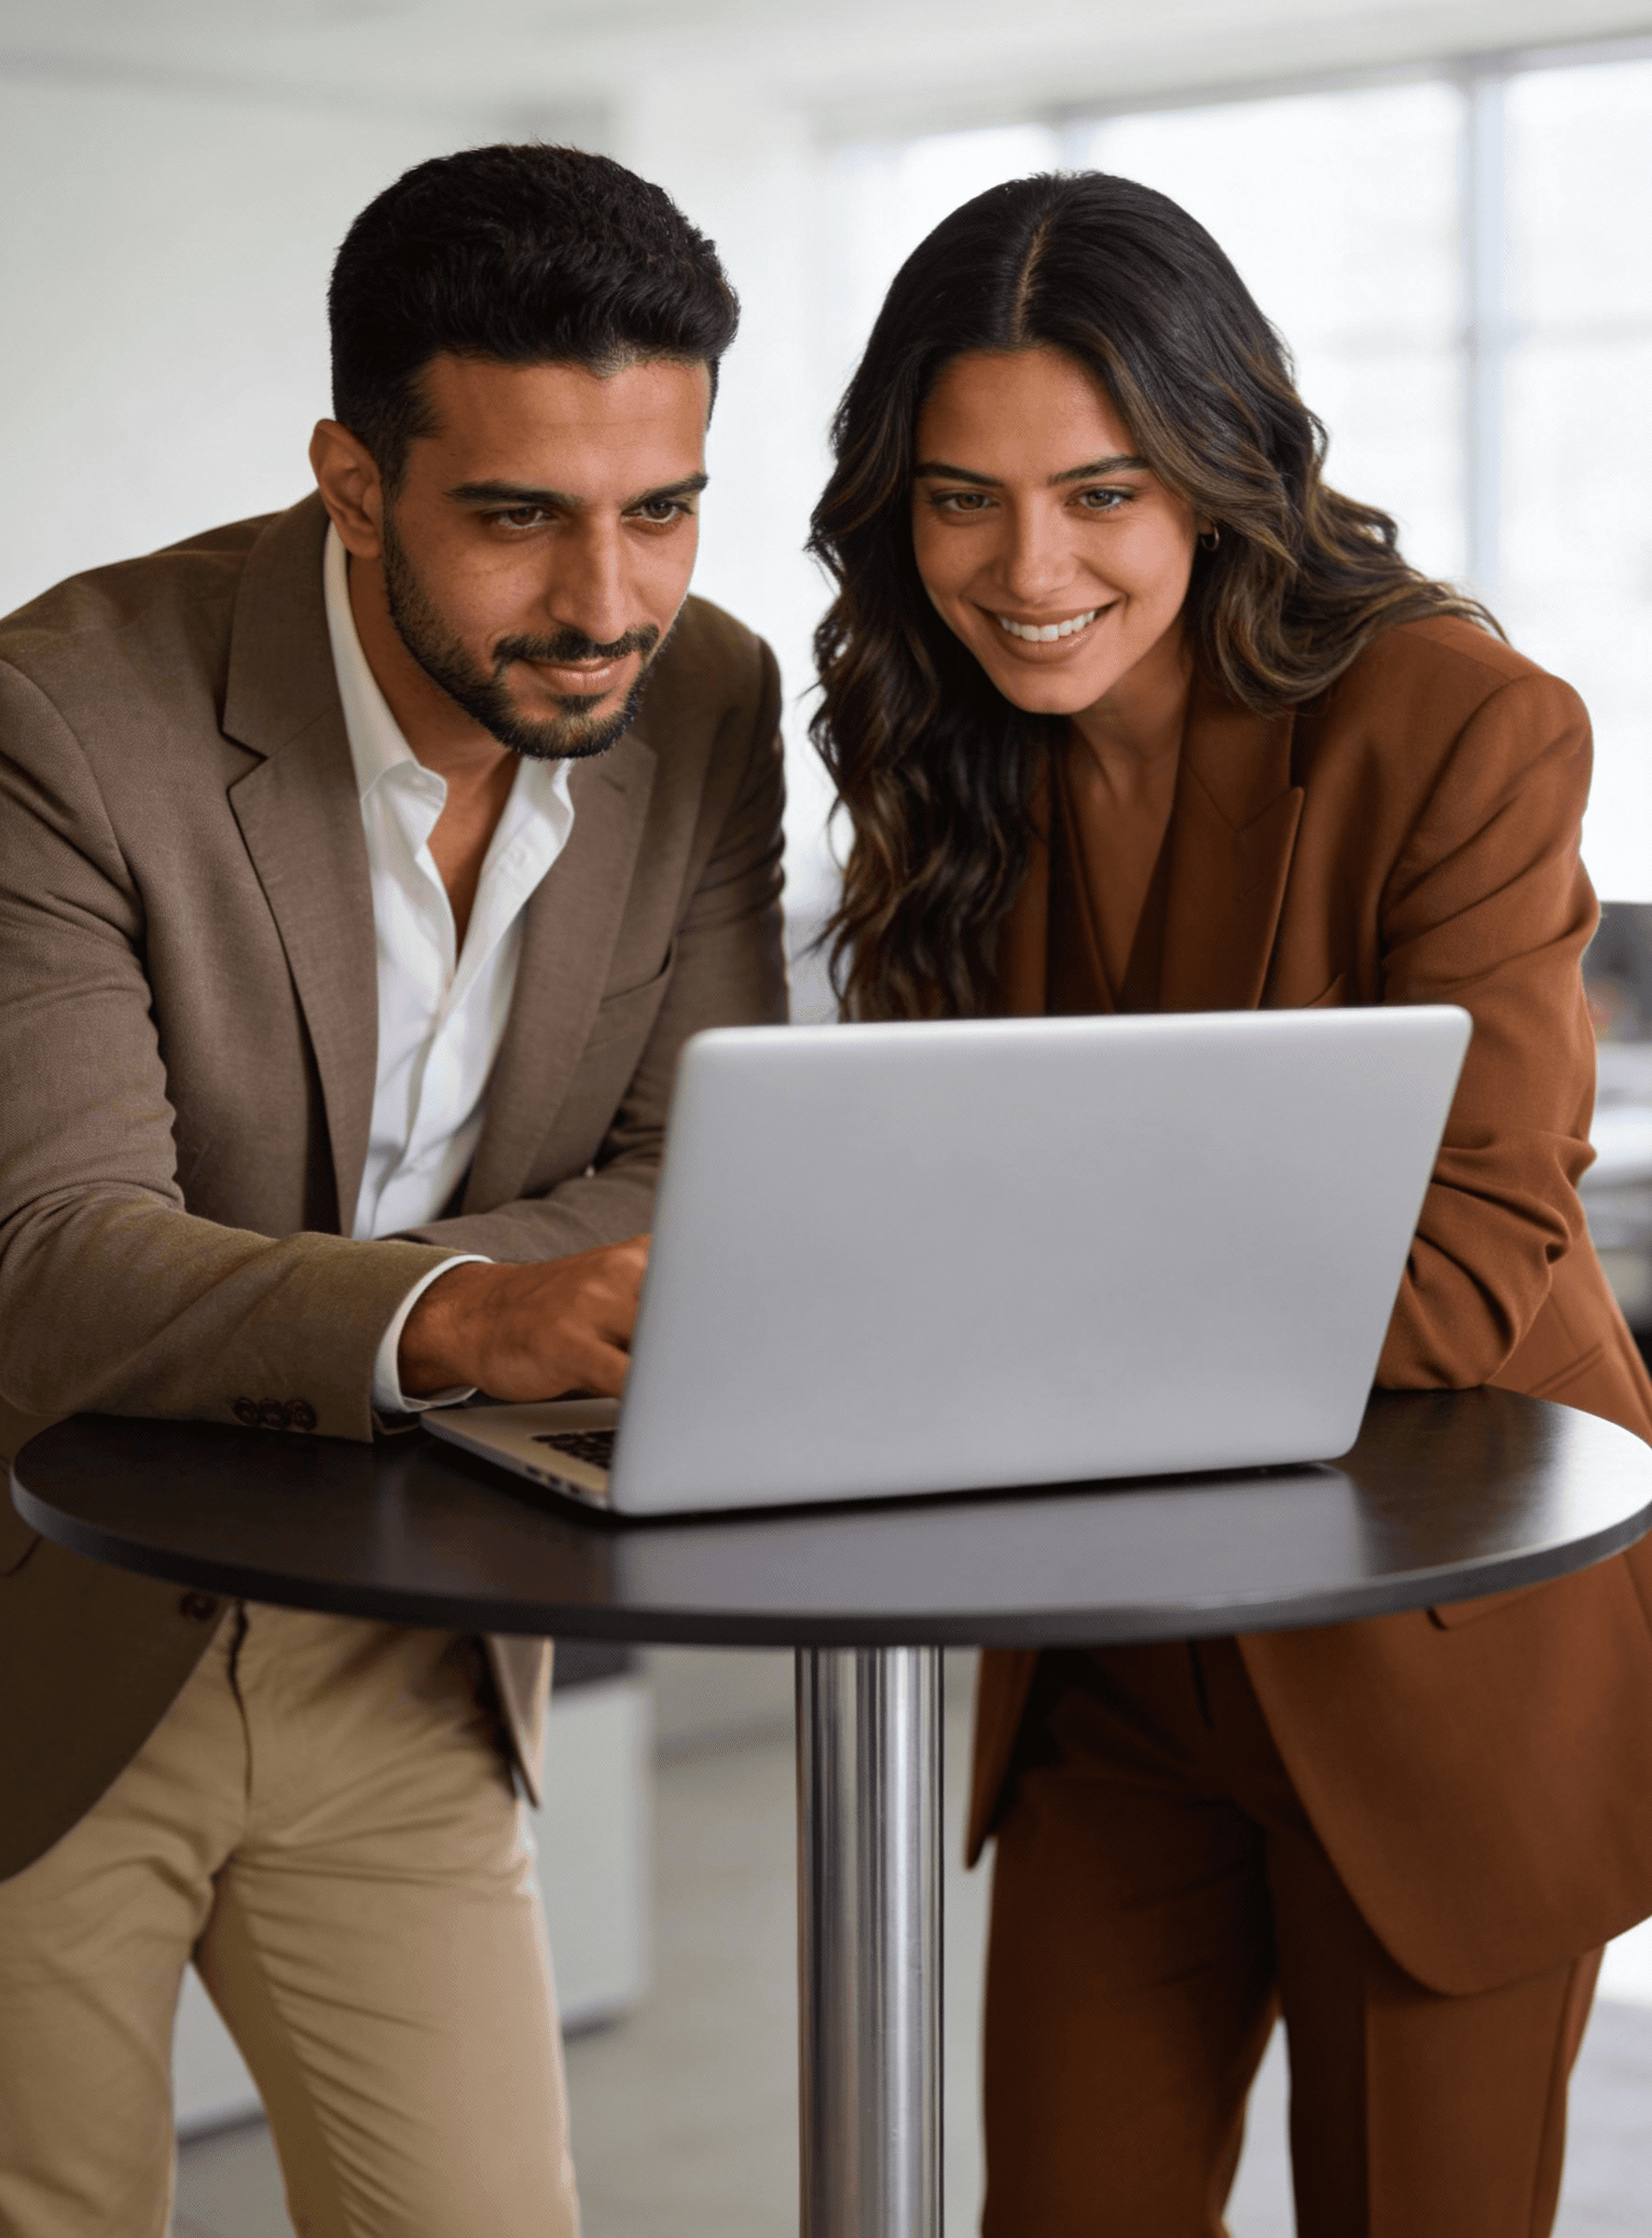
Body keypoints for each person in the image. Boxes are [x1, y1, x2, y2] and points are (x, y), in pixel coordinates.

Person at [809, 169, 1652, 2237]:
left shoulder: (1456, 725)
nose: (1027, 570)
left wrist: (990, 1302)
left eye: (1101, 493)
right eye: (959, 499)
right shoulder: (948, 747)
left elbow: (1466, 1273)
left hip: (1430, 1646)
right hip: (1105, 1665)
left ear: (1223, 460)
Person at [0, 143, 785, 2237]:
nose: (607, 602)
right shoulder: (54, 717)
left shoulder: (705, 699)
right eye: (519, 517)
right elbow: (48, 1267)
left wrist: (303, 1301)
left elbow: (693, 1163)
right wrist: (476, 1318)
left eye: (662, 509)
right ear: (353, 478)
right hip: (30, 1619)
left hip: (402, 1644)